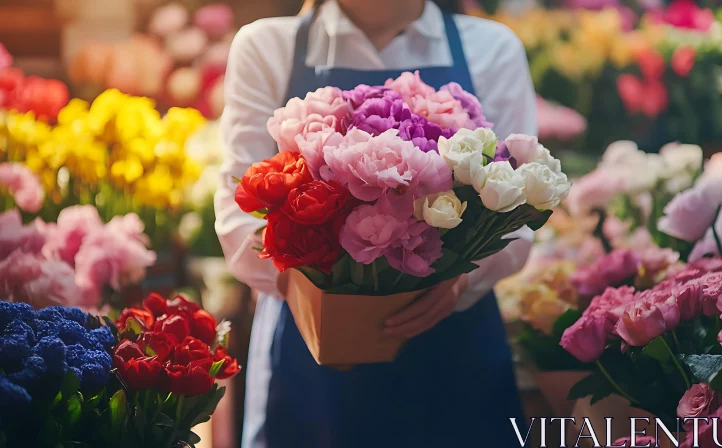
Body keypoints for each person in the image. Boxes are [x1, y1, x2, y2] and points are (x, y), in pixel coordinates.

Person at [215, 1, 537, 447]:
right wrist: (324, 311)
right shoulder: (267, 46)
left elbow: (519, 213)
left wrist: (462, 283)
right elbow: (238, 212)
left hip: (454, 344)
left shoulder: (493, 48)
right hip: (308, 356)